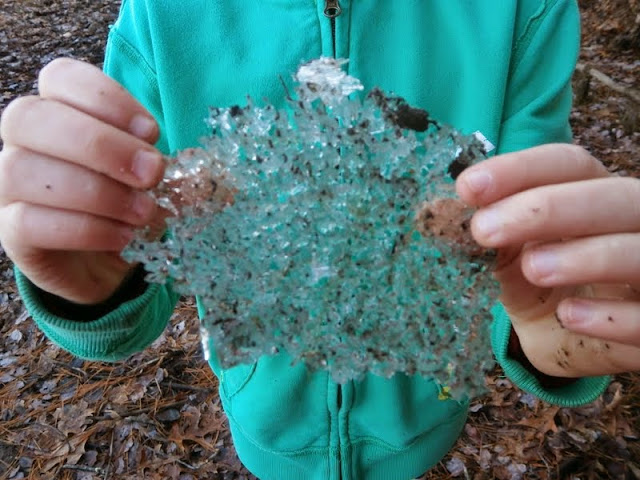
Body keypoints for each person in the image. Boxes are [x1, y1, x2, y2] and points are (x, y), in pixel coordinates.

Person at [1, 1, 639, 479]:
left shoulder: (524, 11)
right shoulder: (160, 15)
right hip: (264, 418)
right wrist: (104, 275)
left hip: (426, 417)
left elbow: (521, 245)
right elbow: (147, 245)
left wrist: (552, 315)